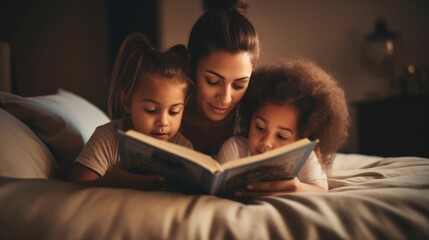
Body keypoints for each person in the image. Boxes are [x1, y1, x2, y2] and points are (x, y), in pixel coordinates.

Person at [69, 33, 193, 189]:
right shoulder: (108, 139)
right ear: (126, 102)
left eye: (174, 111)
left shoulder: (183, 147)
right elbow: (73, 190)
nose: (163, 121)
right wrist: (111, 182)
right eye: (151, 110)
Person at [217, 58, 350, 200]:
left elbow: (321, 191)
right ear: (250, 118)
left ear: (300, 140)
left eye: (281, 136)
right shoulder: (235, 150)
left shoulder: (305, 156)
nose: (266, 142)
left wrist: (297, 188)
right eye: (260, 127)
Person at [181, 0, 260, 156]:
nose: (225, 98)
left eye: (238, 85)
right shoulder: (163, 109)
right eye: (213, 81)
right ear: (191, 68)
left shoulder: (258, 117)